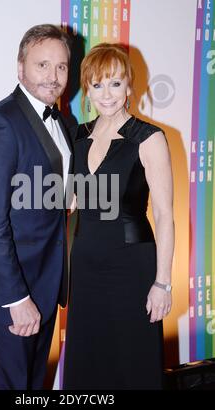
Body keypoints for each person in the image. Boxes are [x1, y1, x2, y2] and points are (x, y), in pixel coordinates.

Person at [0, 24, 73, 390]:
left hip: (47, 284)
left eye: (61, 67)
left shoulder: (64, 121)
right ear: (20, 68)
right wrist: (17, 298)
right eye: (42, 65)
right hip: (14, 293)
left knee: (33, 385)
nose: (53, 76)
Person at [63, 43, 174, 390]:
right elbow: (72, 200)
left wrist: (162, 283)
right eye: (97, 85)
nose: (106, 94)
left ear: (129, 85)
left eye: (114, 83)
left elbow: (165, 215)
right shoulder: (78, 136)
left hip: (132, 268)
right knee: (89, 360)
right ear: (87, 89)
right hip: (84, 267)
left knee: (132, 361)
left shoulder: (149, 138)